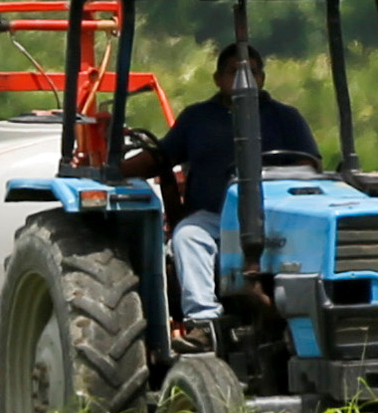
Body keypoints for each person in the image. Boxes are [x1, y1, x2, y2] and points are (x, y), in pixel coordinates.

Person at [129, 40, 314, 333]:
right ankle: (204, 322)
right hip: (214, 218)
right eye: (234, 72)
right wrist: (116, 169)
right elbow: (161, 157)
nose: (245, 80)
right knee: (188, 235)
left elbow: (309, 167)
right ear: (218, 79)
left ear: (262, 78)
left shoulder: (286, 118)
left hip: (275, 221)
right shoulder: (197, 118)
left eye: (252, 72)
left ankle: (310, 313)